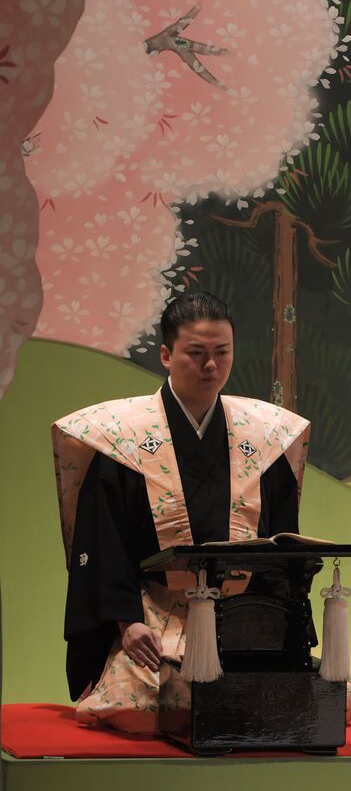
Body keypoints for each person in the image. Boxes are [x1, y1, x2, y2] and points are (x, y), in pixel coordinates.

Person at [54, 293, 309, 734]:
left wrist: (271, 619)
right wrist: (127, 621)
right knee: (140, 710)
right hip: (156, 615)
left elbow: (280, 542)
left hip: (241, 617)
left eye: (222, 353)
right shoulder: (125, 438)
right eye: (197, 354)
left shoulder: (262, 436)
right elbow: (103, 539)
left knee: (312, 703)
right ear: (167, 355)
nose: (211, 366)